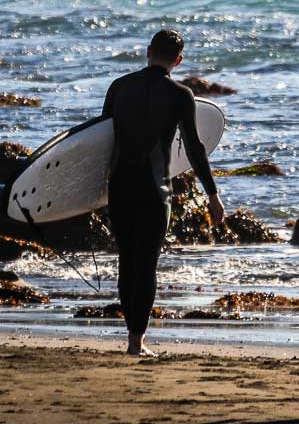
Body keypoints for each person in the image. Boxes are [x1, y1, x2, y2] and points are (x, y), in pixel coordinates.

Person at [100, 29, 222, 357]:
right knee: (147, 265)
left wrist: (92, 194)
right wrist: (211, 194)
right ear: (179, 60)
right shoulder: (180, 94)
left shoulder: (119, 87)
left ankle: (130, 338)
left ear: (148, 51)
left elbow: (100, 142)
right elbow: (195, 149)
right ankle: (137, 343)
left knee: (127, 262)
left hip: (120, 188)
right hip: (156, 191)